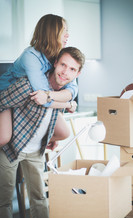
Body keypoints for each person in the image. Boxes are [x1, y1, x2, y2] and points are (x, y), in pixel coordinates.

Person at [0, 46, 85, 218]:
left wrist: (50, 136)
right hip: (11, 148)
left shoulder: (65, 91)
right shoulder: (28, 85)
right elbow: (1, 99)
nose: (65, 72)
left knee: (39, 199)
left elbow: (51, 115)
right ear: (55, 63)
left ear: (78, 73)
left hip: (36, 150)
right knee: (3, 202)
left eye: (72, 69)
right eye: (63, 64)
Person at [0, 14, 78, 147]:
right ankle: (19, 148)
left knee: (63, 132)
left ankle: (31, 143)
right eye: (64, 31)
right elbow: (44, 97)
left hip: (31, 100)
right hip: (8, 97)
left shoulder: (59, 54)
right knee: (4, 138)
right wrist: (68, 105)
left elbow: (71, 90)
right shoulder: (30, 56)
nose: (67, 35)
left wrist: (49, 134)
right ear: (51, 33)